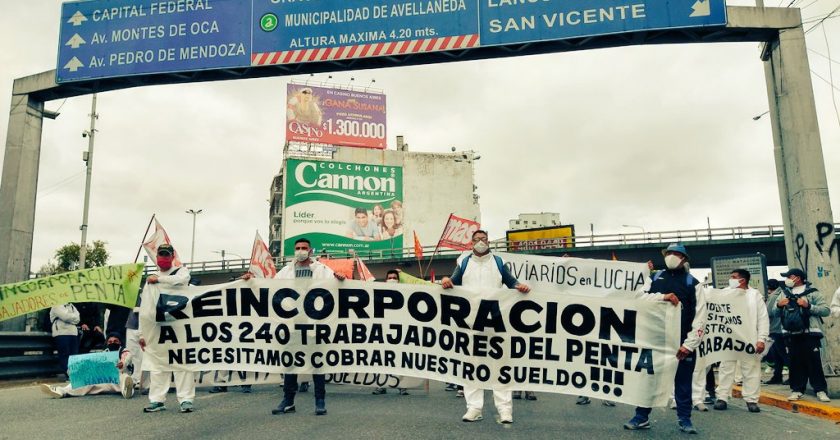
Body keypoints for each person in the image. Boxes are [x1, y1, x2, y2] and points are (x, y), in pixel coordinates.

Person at [244, 237, 345, 415]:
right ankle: (288, 400)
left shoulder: (322, 270)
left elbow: (336, 287)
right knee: (290, 364)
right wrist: (251, 281)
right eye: (297, 248)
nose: (300, 251)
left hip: (314, 325)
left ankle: (320, 401)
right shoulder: (286, 271)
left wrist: (340, 279)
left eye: (304, 248)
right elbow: (270, 287)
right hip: (293, 326)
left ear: (310, 250)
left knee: (317, 364)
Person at [441, 230, 530, 424]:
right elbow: (453, 281)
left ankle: (505, 409)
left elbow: (511, 281)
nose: (480, 242)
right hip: (471, 323)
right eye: (476, 239)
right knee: (472, 365)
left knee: (500, 365)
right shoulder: (464, 262)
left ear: (488, 241)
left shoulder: (498, 262)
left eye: (483, 239)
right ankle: (474, 408)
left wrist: (520, 286)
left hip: (495, 321)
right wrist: (446, 280)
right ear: (471, 243)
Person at [624, 243, 706, 434]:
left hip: (681, 343)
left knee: (683, 383)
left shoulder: (693, 284)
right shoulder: (653, 278)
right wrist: (663, 297)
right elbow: (638, 299)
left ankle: (685, 419)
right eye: (669, 253)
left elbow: (700, 318)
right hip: (654, 340)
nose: (671, 257)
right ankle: (641, 417)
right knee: (648, 381)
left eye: (676, 254)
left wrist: (689, 344)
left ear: (684, 259)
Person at [139, 244, 195, 413]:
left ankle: (186, 399)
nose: (163, 257)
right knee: (158, 363)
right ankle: (157, 400)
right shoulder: (151, 280)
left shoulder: (181, 271)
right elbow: (145, 308)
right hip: (159, 326)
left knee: (182, 362)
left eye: (166, 254)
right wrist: (143, 333)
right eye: (160, 254)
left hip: (179, 324)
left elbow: (182, 281)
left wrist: (160, 280)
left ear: (172, 256)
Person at [769, 268, 831, 402]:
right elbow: (774, 313)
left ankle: (820, 390)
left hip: (810, 333)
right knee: (795, 363)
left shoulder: (812, 292)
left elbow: (826, 310)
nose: (787, 279)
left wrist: (808, 305)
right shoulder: (783, 293)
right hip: (790, 334)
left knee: (814, 362)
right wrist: (779, 305)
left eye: (789, 276)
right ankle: (797, 390)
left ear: (798, 278)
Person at [713, 269, 769, 413]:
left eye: (733, 277)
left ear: (742, 280)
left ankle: (751, 400)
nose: (730, 279)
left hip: (749, 338)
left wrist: (761, 339)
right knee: (726, 368)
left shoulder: (755, 295)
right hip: (729, 338)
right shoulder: (724, 293)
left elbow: (763, 318)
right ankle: (722, 397)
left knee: (751, 369)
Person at [41, 333, 135, 399]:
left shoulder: (124, 351)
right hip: (105, 381)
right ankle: (61, 391)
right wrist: (75, 370)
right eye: (110, 341)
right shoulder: (103, 354)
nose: (112, 343)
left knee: (124, 378)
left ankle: (128, 390)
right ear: (107, 343)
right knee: (84, 380)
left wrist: (122, 363)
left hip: (118, 379)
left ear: (120, 342)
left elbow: (126, 358)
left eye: (115, 341)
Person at [372, 270, 409, 396]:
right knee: (381, 358)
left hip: (400, 331)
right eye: (390, 277)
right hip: (383, 331)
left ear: (398, 280)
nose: (392, 279)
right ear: (385, 280)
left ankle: (401, 385)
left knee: (399, 359)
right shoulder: (379, 294)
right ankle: (380, 385)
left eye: (394, 277)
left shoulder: (406, 293)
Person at [763, 279, 788, 385]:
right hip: (777, 329)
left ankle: (793, 376)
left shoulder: (774, 296)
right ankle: (777, 376)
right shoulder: (780, 293)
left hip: (776, 329)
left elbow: (767, 312)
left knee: (782, 354)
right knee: (778, 355)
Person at [50, 303, 80, 377]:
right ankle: (69, 375)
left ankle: (74, 375)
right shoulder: (56, 304)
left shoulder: (72, 306)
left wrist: (70, 317)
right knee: (64, 354)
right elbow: (65, 317)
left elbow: (78, 319)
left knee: (74, 355)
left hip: (73, 333)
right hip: (61, 333)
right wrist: (73, 317)